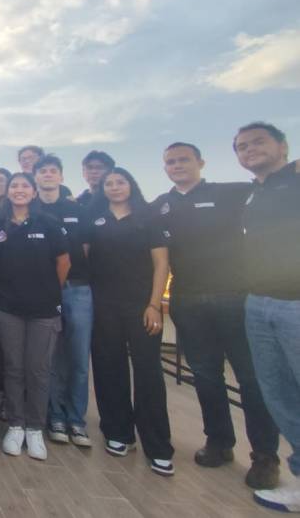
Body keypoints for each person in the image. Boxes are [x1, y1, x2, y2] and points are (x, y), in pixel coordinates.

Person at [151, 141, 279, 488]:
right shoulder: (161, 205)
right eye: (170, 162)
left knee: (250, 379)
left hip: (234, 297)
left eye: (183, 160)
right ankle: (219, 442)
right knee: (206, 376)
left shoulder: (232, 193)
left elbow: (274, 185)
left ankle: (265, 456)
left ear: (200, 162)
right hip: (187, 300)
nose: (176, 165)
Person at [87, 167, 174, 476]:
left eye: (120, 181)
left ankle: (158, 446)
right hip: (103, 304)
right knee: (109, 367)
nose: (114, 187)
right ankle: (118, 432)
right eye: (108, 183)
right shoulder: (94, 218)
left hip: (141, 306)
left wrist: (154, 304)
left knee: (148, 371)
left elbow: (161, 263)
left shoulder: (148, 217)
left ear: (131, 184)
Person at [233, 122, 300, 512]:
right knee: (280, 397)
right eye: (242, 146)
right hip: (258, 303)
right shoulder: (252, 194)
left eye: (259, 142)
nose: (250, 149)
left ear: (284, 146)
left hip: (295, 304)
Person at [0, 172, 70, 460]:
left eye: (25, 186)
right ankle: (16, 424)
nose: (19, 190)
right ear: (7, 192)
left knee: (38, 370)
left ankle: (35, 428)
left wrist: (47, 291)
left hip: (43, 311)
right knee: (12, 368)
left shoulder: (48, 223)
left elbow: (63, 263)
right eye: (14, 186)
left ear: (33, 192)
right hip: (8, 309)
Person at [33, 155, 94, 448]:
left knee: (79, 358)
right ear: (35, 178)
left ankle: (77, 420)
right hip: (45, 291)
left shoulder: (76, 209)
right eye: (42, 171)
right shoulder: (31, 210)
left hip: (78, 290)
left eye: (52, 171)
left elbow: (85, 249)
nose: (47, 175)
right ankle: (55, 415)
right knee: (53, 357)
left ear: (60, 176)